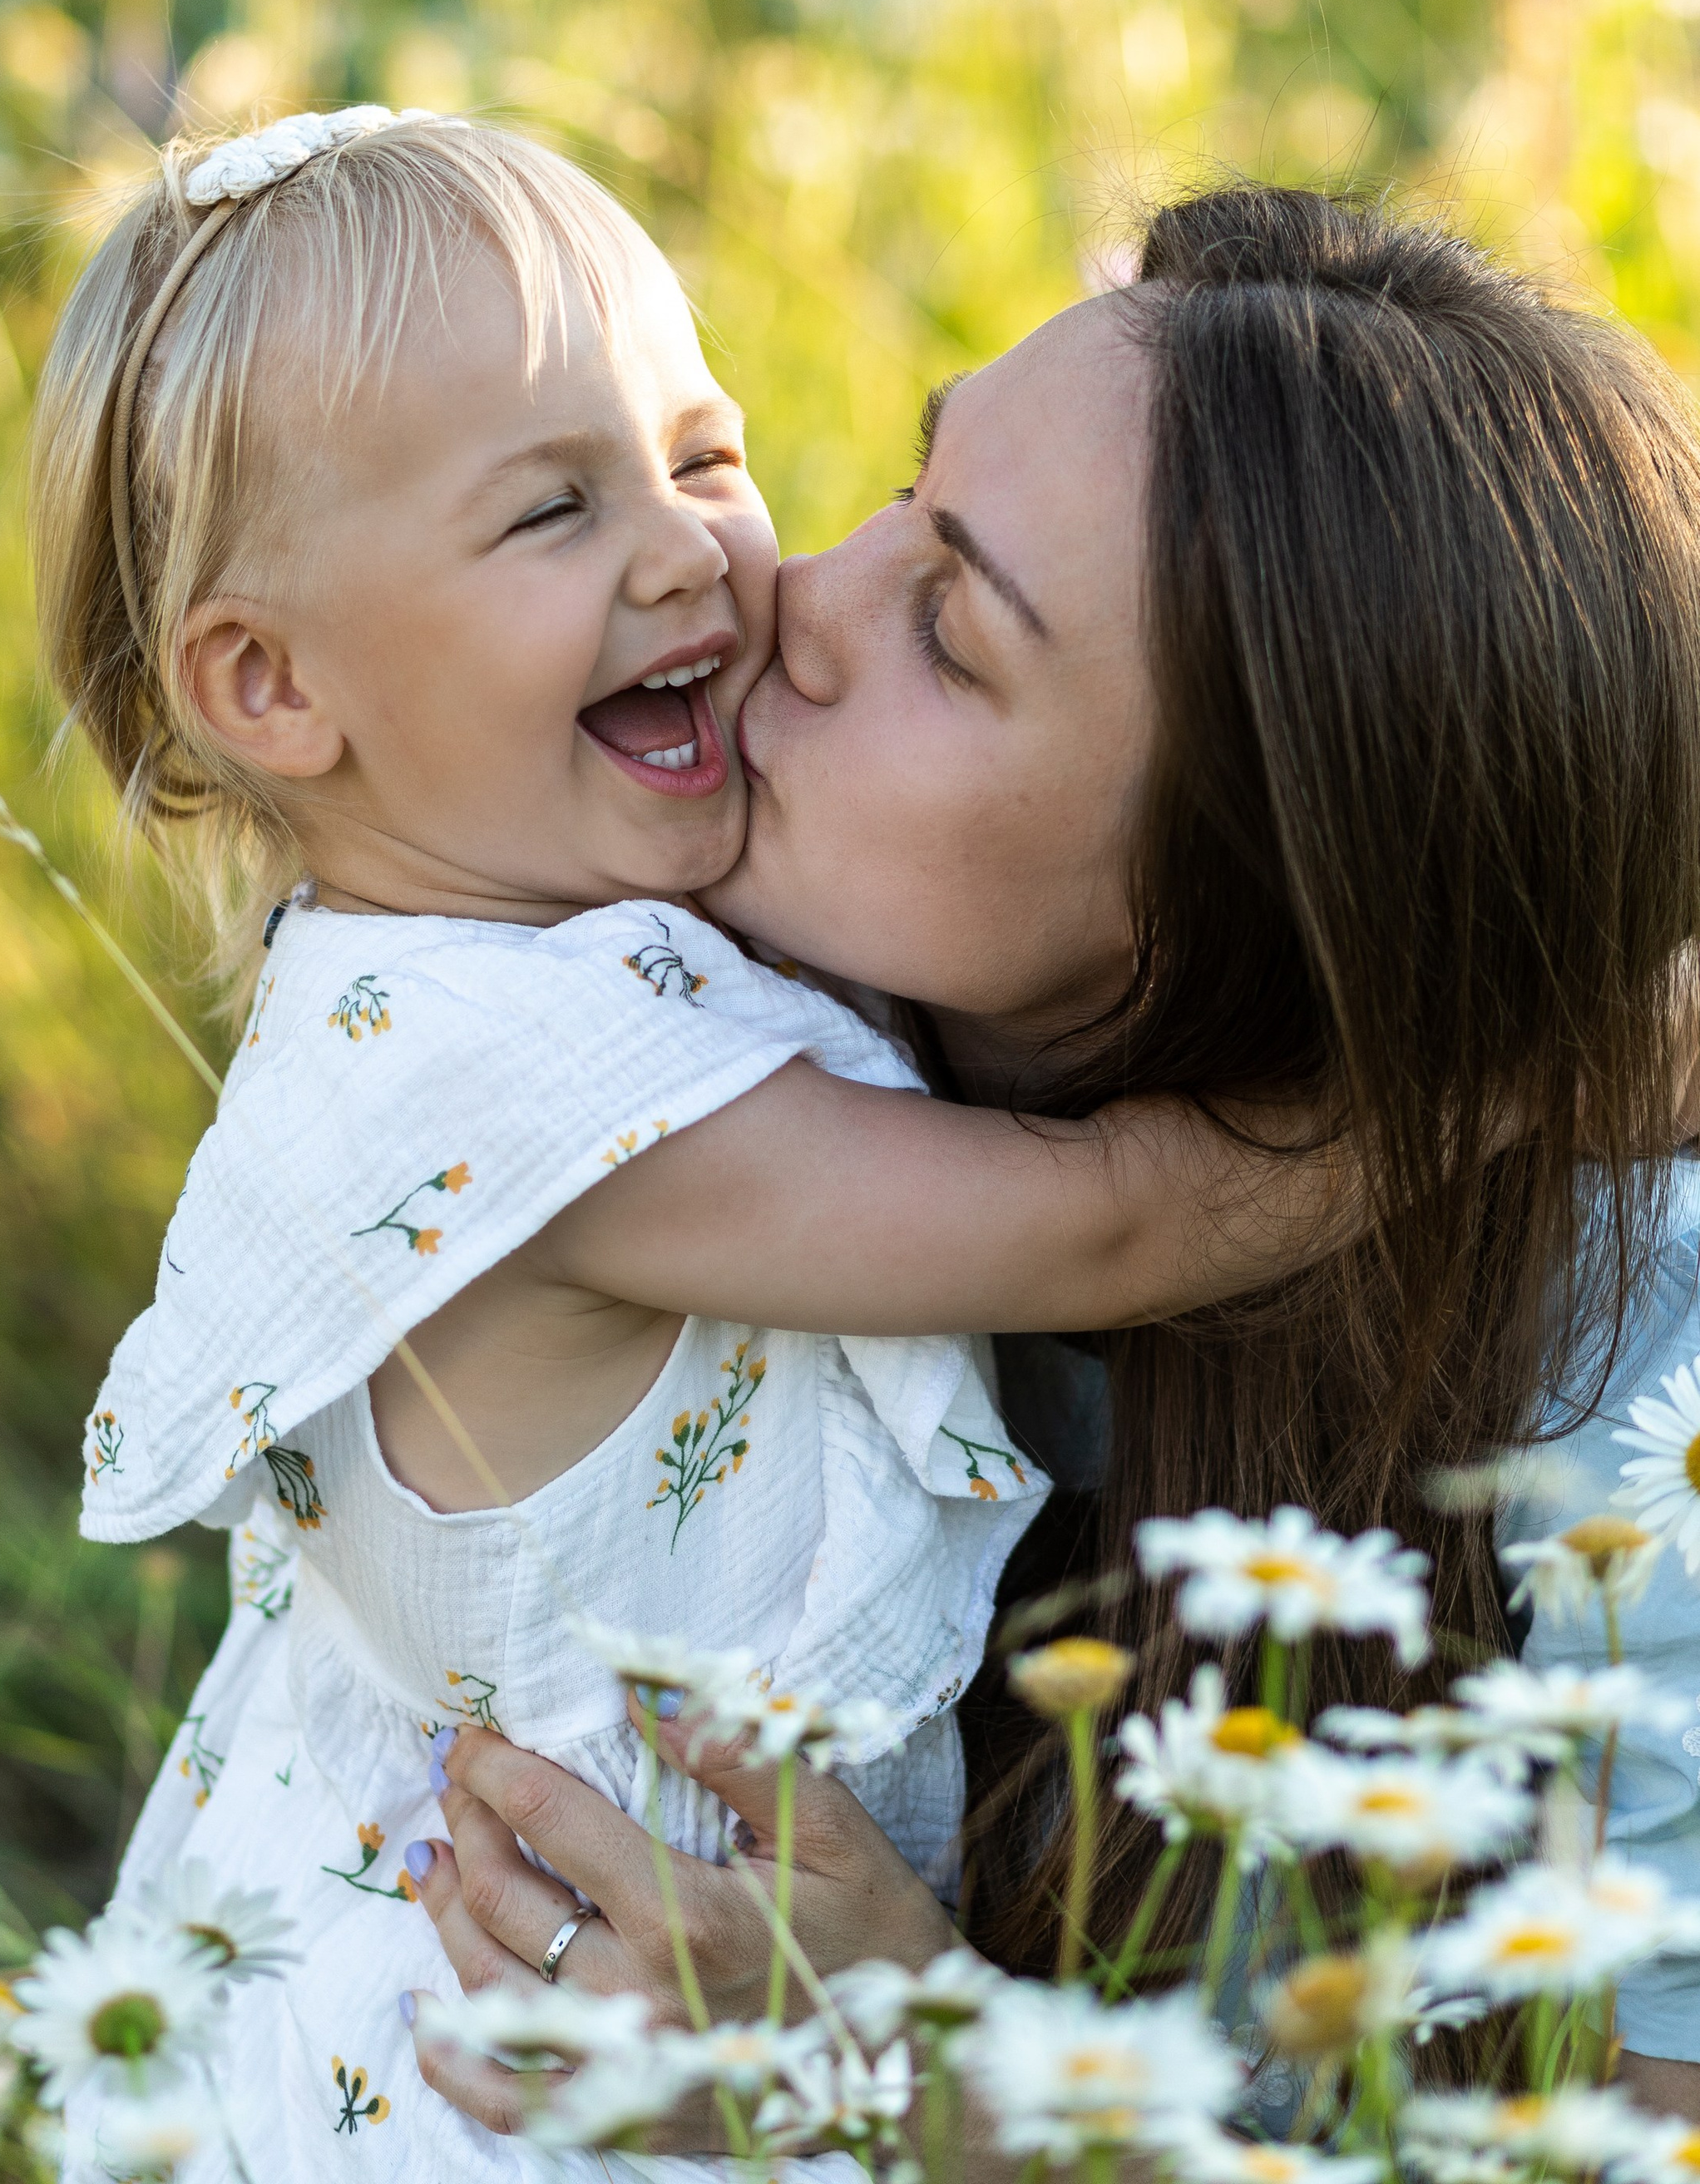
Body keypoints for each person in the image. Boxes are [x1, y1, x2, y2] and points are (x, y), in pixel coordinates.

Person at [26, 113, 1345, 2183]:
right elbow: (1104, 1229)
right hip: (560, 2061)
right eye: (551, 510)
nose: (686, 554)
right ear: (271, 685)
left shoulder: (539, 934)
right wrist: (1511, 1079)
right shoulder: (517, 1091)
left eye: (701, 453)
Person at [402, 183, 1700, 2131]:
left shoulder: (1630, 1399)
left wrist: (942, 2091)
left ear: (1249, 910)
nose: (778, 595)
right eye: (896, 498)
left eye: (946, 624)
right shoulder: (676, 1072)